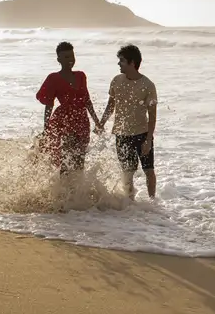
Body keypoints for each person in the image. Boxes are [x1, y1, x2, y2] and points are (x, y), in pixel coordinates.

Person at [98, 44, 158, 199]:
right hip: (122, 134)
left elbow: (152, 115)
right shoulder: (116, 81)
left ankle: (153, 204)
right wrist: (101, 123)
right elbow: (111, 105)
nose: (119, 63)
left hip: (142, 133)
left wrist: (148, 140)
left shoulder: (148, 85)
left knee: (149, 170)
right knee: (127, 172)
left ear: (132, 63)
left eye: (122, 61)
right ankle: (130, 207)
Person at [36, 41, 101, 173]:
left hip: (82, 121)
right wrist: (46, 128)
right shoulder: (53, 78)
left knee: (79, 160)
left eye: (72, 56)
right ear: (58, 59)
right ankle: (65, 191)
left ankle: (77, 191)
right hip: (64, 121)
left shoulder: (81, 75)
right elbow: (49, 105)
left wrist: (97, 121)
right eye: (66, 57)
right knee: (66, 159)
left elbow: (87, 100)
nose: (70, 60)